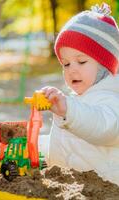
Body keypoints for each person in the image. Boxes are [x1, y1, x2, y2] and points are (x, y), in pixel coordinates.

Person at [39, 3, 119, 185]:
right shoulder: (77, 100)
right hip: (74, 185)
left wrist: (69, 110)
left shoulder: (111, 98)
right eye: (66, 64)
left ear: (105, 65)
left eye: (81, 61)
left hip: (105, 189)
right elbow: (65, 143)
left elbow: (104, 127)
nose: (71, 70)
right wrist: (33, 145)